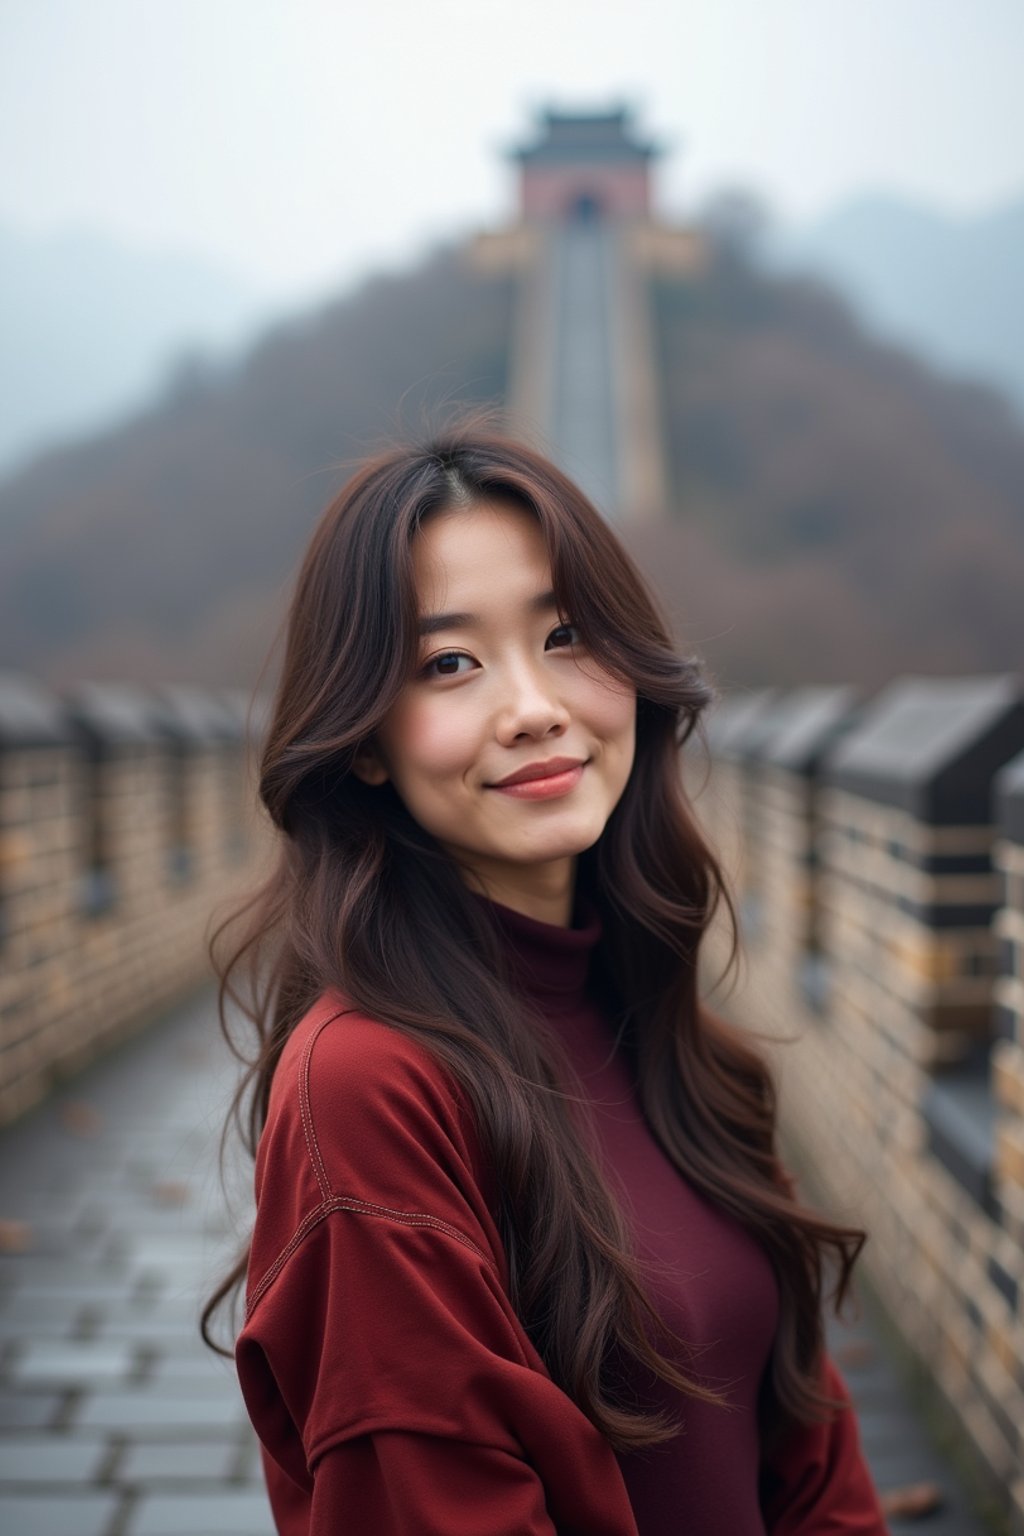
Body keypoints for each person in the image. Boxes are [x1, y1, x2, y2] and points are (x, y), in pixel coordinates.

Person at [203, 418, 890, 1534]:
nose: (534, 708)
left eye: (566, 634)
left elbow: (812, 1459)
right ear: (364, 738)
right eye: (449, 663)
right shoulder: (367, 1089)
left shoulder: (677, 1043)